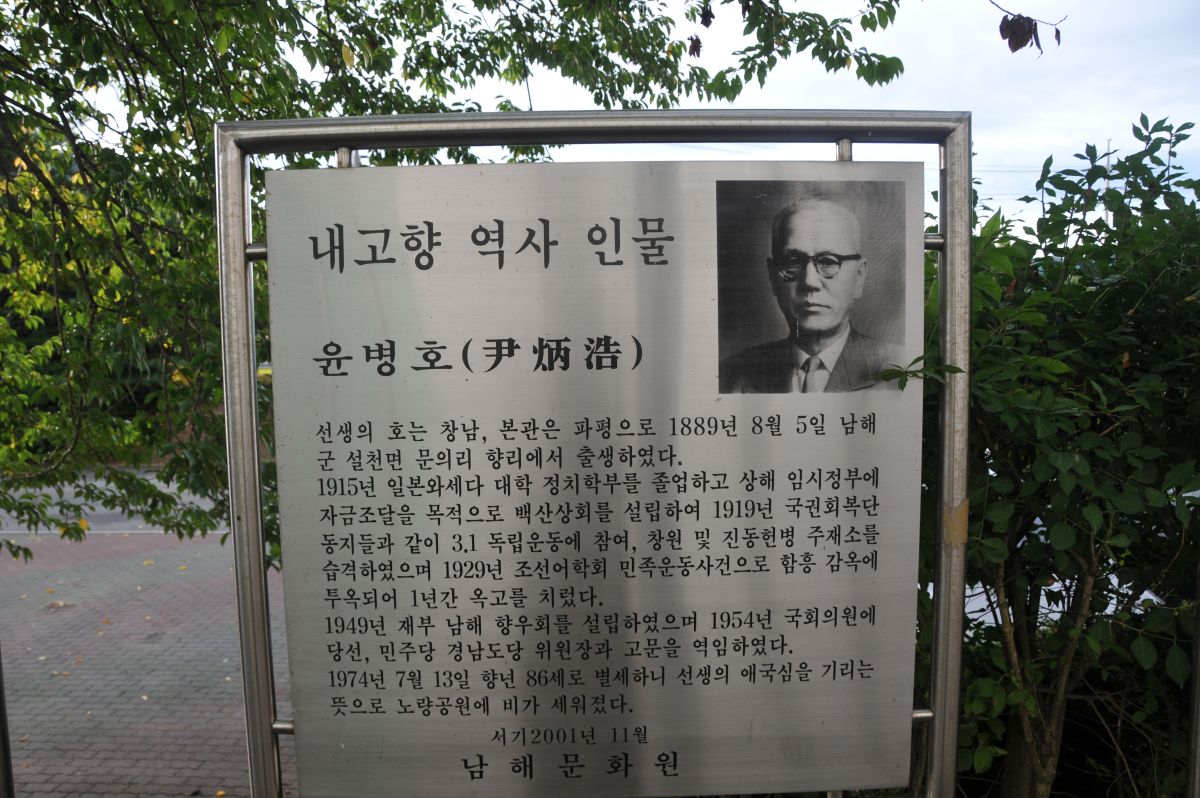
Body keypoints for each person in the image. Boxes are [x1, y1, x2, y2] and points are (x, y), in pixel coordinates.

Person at [720, 198, 901, 393]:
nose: (809, 281)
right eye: (793, 261)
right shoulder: (729, 376)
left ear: (859, 277)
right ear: (773, 276)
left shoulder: (899, 369)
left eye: (828, 261)